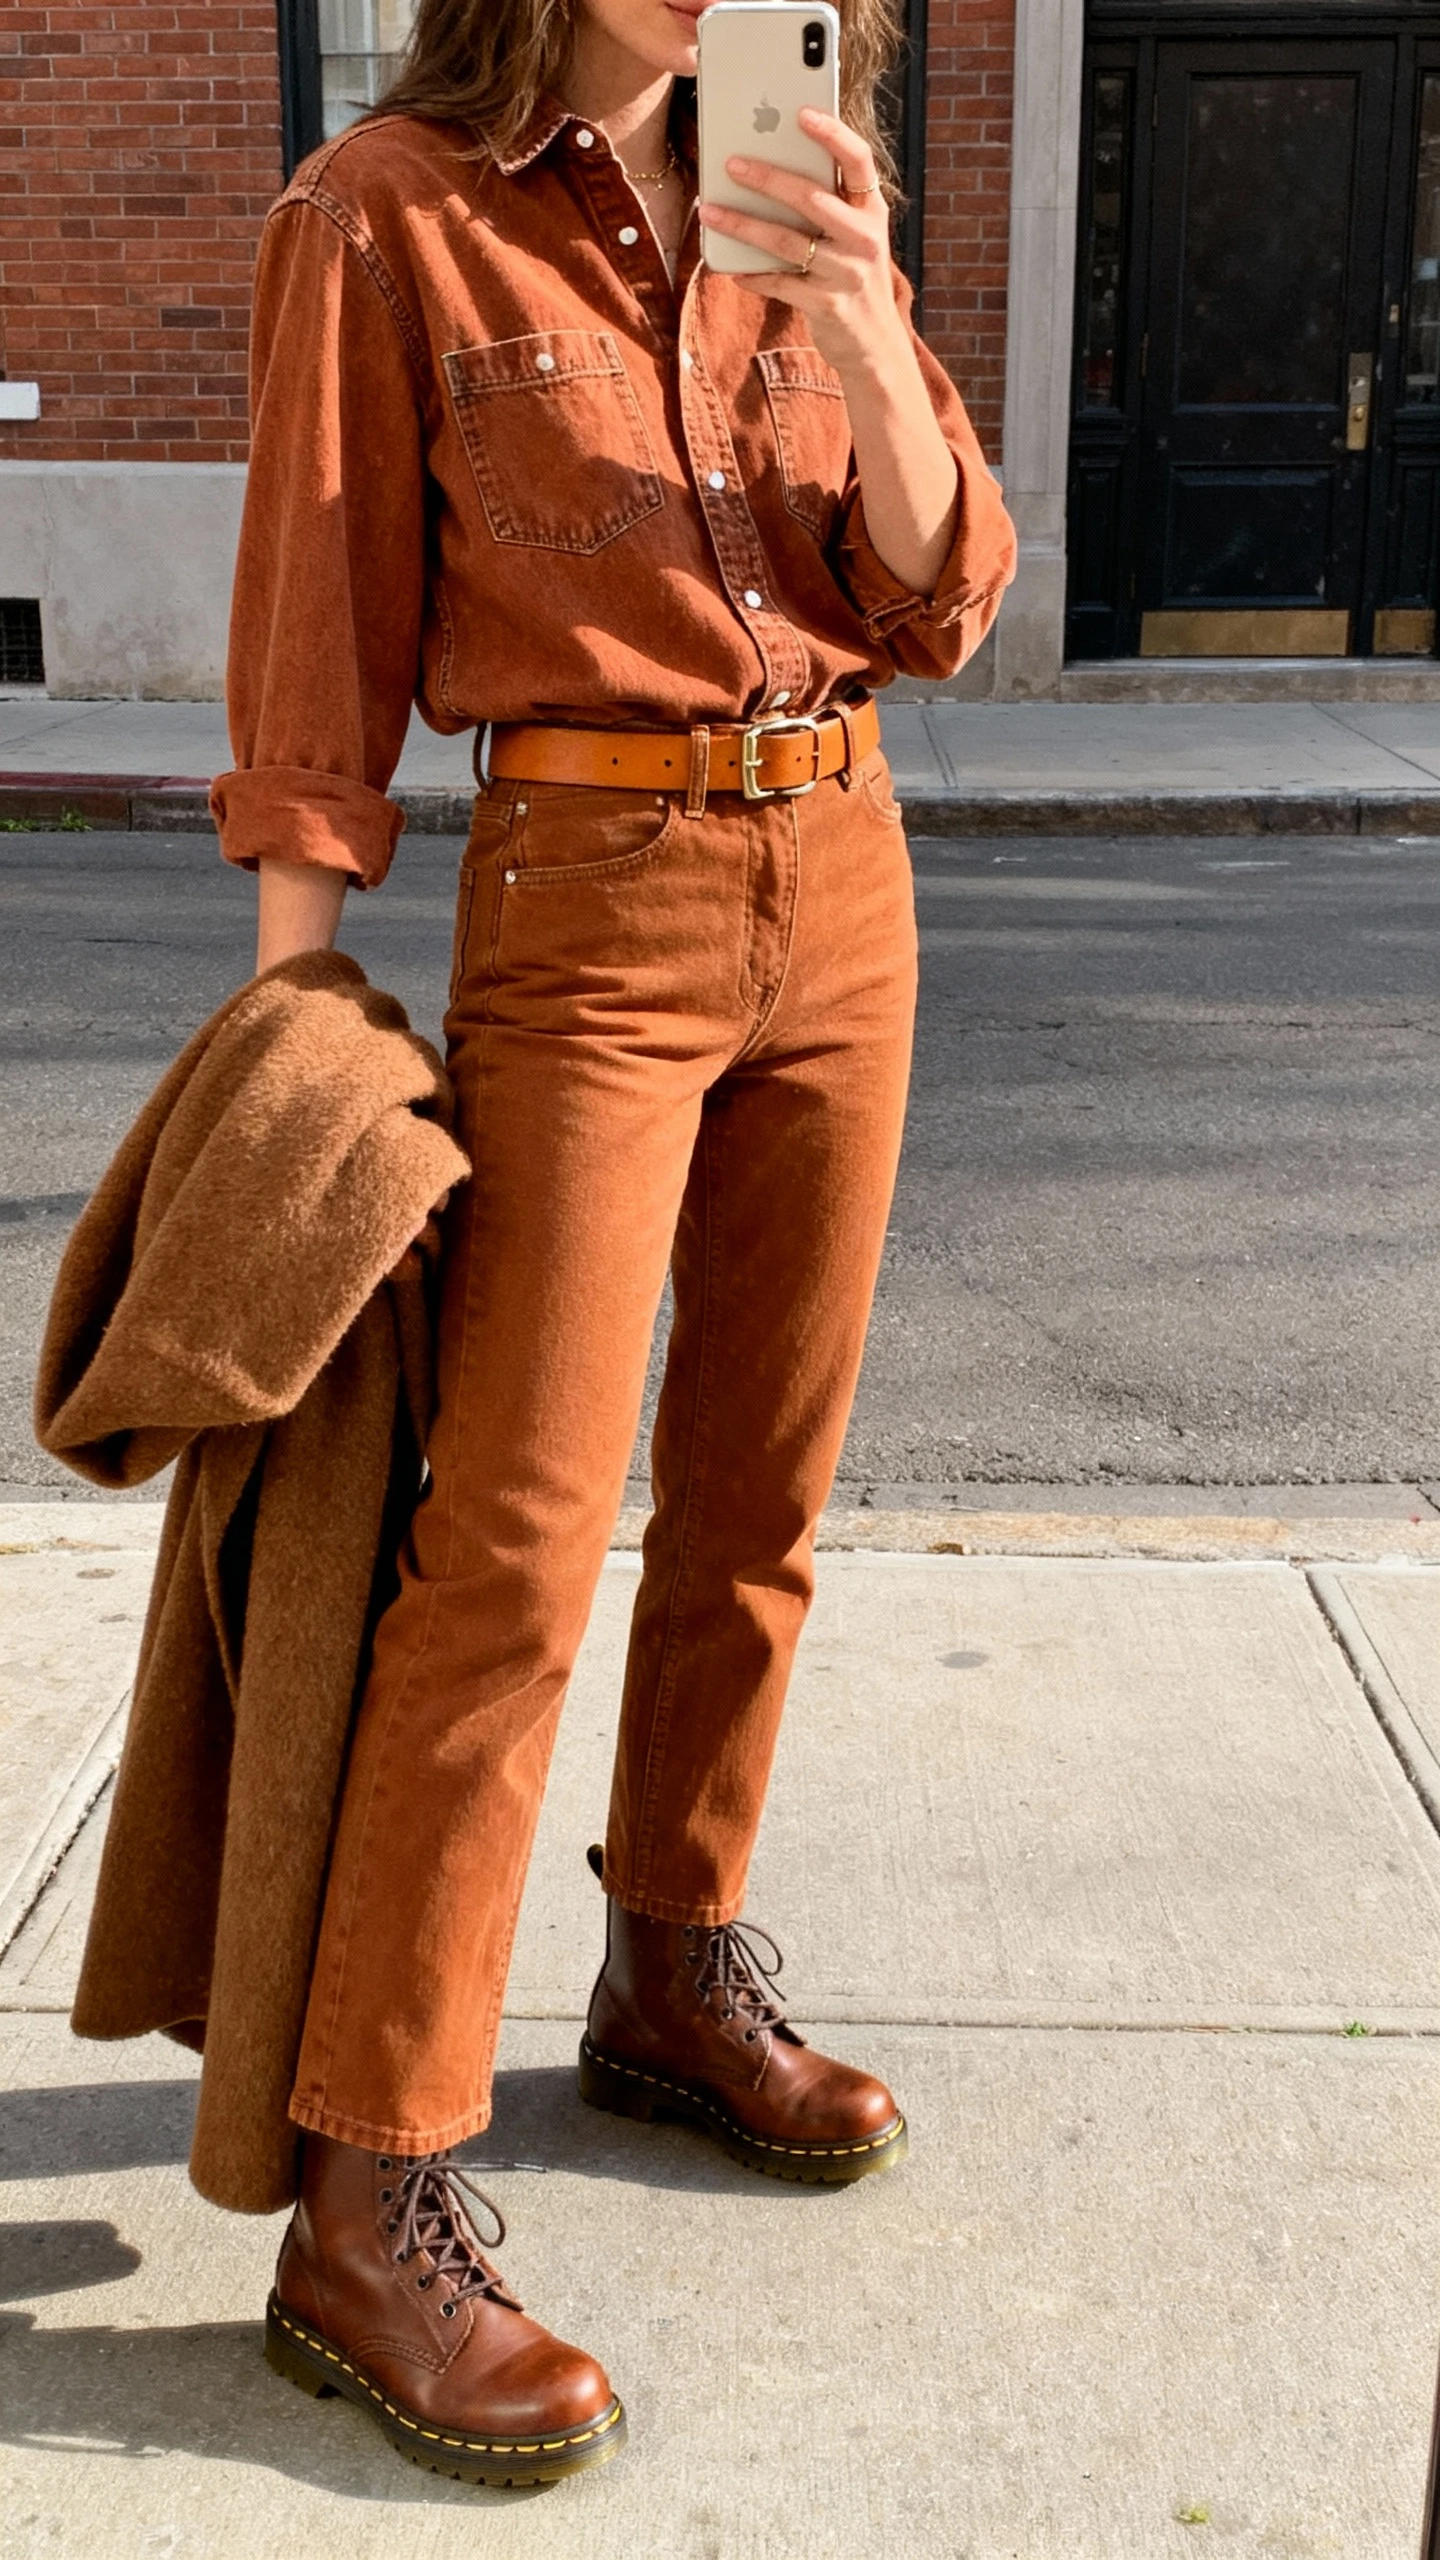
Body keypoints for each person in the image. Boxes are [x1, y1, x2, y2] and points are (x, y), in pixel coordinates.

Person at [211, 0, 1016, 2488]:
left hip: (845, 871)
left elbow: (946, 587)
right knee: (519, 1542)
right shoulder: (386, 213)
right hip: (586, 900)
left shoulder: (806, 190)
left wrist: (868, 313)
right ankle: (365, 2191)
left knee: (761, 1500)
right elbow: (318, 649)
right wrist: (290, 1036)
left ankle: (669, 1966)